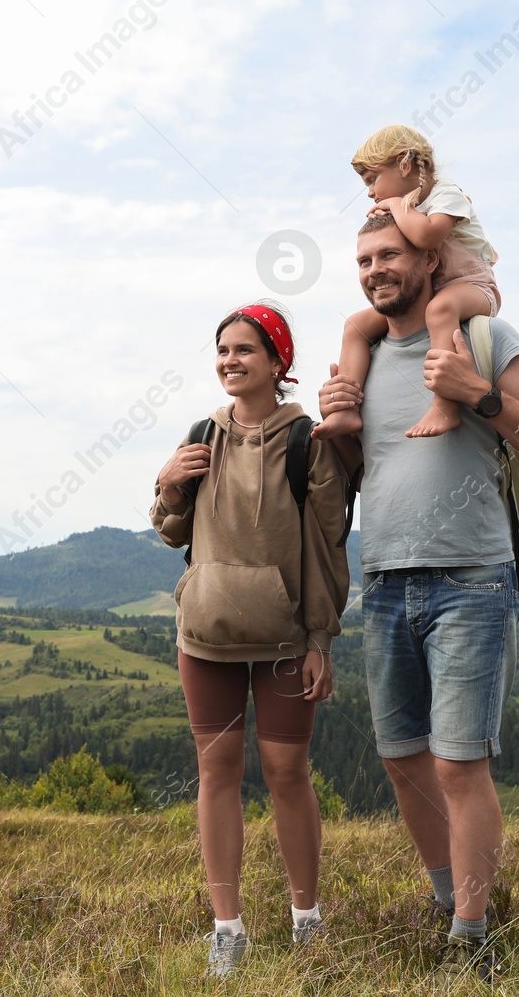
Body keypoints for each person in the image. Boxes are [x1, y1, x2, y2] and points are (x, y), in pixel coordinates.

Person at [318, 212, 519, 981]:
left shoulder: (487, 338)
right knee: (402, 759)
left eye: (389, 253)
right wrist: (337, 425)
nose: (375, 269)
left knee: (460, 764)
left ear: (429, 259)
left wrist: (480, 396)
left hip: (471, 577)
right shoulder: (361, 360)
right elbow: (373, 468)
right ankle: (452, 903)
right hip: (386, 580)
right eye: (364, 258)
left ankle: (472, 936)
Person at [150, 302, 353, 980]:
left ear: (277, 363)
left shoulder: (309, 443)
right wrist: (168, 485)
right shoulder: (200, 435)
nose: (229, 361)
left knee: (289, 775)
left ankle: (306, 920)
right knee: (217, 775)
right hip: (205, 634)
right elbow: (173, 531)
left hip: (286, 637)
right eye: (222, 350)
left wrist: (321, 637)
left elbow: (327, 549)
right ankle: (227, 929)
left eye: (244, 350)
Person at [315, 124, 501, 441]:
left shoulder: (447, 194)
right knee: (356, 326)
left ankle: (444, 405)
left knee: (440, 309)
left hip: (474, 286)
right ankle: (345, 410)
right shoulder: (411, 205)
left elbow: (427, 235)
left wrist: (396, 206)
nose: (371, 192)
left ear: (405, 164)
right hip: (437, 290)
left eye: (373, 179)